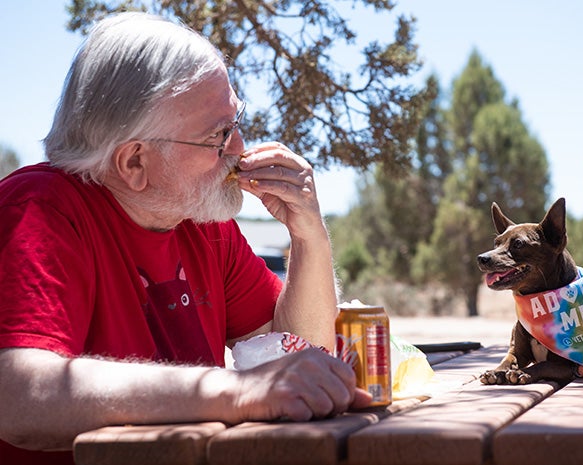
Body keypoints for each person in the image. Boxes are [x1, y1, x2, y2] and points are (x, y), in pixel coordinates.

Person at [0, 12, 371, 464]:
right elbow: (20, 396)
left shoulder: (201, 220)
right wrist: (235, 392)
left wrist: (309, 234)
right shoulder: (39, 209)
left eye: (236, 123)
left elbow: (294, 349)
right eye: (218, 135)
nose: (240, 148)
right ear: (134, 162)